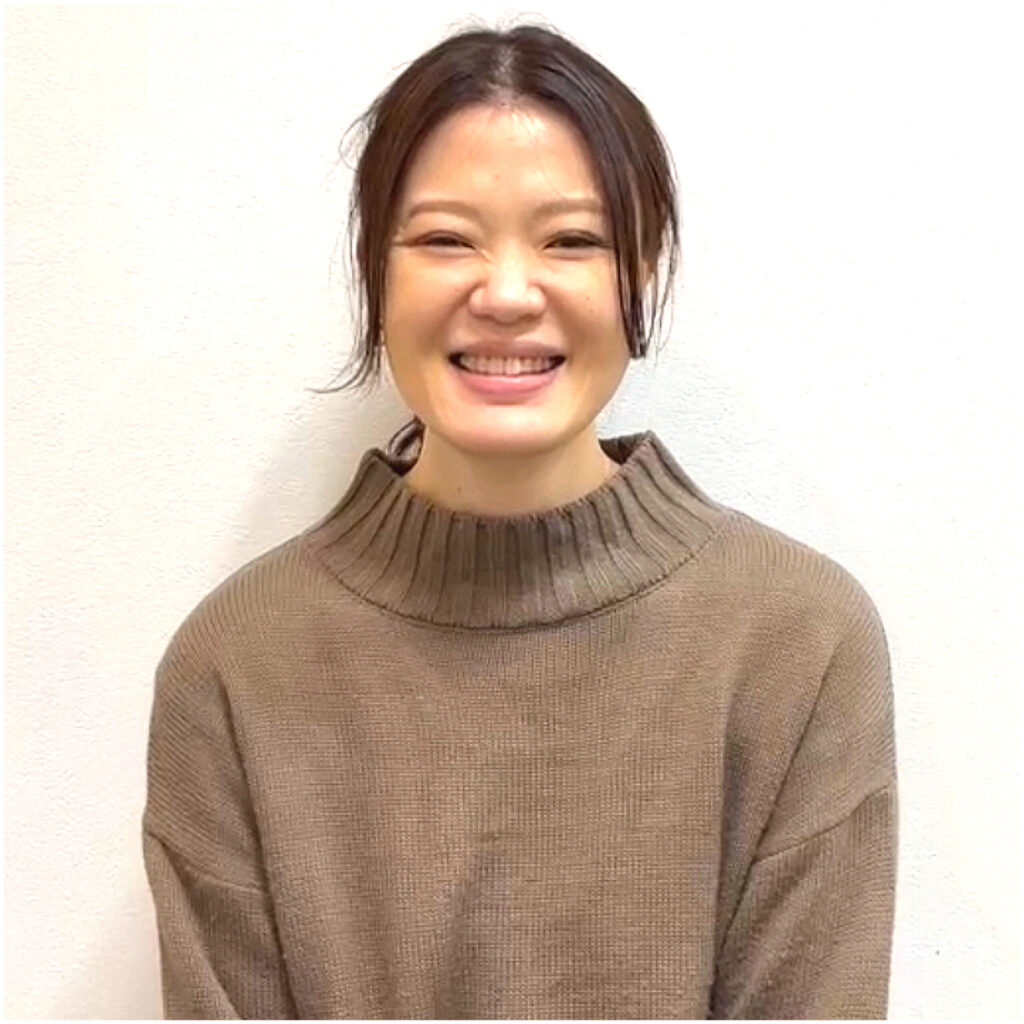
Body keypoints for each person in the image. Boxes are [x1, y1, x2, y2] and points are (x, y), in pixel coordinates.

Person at [141, 20, 898, 1020]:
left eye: (571, 240)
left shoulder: (797, 641)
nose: (505, 293)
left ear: (641, 273)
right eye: (444, 239)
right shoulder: (236, 665)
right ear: (374, 274)